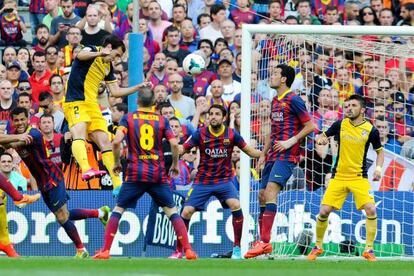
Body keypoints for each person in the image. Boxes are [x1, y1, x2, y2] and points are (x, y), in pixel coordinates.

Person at [92, 87, 197, 260]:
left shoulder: (129, 118)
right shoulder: (162, 120)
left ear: (137, 101)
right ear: (154, 103)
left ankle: (105, 250)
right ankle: (188, 250)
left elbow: (117, 141)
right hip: (157, 174)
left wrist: (117, 162)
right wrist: (176, 164)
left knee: (118, 209)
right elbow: (173, 143)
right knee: (172, 212)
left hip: (135, 173)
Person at [2, 107, 110, 258]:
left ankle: (81, 250)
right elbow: (8, 143)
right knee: (63, 215)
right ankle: (101, 212)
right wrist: (10, 139)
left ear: (28, 119)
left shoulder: (33, 133)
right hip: (42, 182)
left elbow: (10, 142)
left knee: (62, 217)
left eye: (22, 119)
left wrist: (9, 139)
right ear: (12, 121)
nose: (20, 123)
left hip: (52, 178)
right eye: (16, 120)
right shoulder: (19, 135)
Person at [63, 35, 151, 194]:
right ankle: (86, 169)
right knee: (79, 134)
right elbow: (79, 56)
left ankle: (117, 184)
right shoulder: (91, 50)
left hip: (92, 105)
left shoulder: (108, 67)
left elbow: (116, 92)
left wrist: (138, 86)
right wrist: (100, 54)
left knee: (105, 142)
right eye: (116, 55)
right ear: (108, 47)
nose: (116, 59)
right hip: (75, 101)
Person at [172, 104, 262, 259]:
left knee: (236, 205)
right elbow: (183, 149)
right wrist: (172, 148)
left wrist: (266, 153)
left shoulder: (232, 135)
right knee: (186, 212)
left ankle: (237, 249)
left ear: (224, 117)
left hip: (224, 180)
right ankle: (179, 250)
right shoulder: (199, 134)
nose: (213, 117)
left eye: (217, 114)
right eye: (210, 114)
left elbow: (249, 151)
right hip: (202, 181)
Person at [245, 64, 315, 258]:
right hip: (272, 156)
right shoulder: (275, 100)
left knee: (270, 193)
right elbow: (273, 132)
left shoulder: (294, 100)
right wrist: (262, 155)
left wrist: (289, 142)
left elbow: (310, 126)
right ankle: (262, 240)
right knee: (261, 195)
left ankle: (265, 242)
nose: (271, 76)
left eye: (275, 73)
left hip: (287, 155)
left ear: (284, 78)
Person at [307, 94, 384, 262]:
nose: (349, 108)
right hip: (338, 176)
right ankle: (318, 246)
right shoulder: (339, 124)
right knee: (323, 211)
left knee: (371, 209)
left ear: (362, 109)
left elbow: (379, 151)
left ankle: (369, 249)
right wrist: (321, 138)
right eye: (347, 105)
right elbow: (324, 135)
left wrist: (378, 168)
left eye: (353, 105)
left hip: (359, 177)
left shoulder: (371, 130)